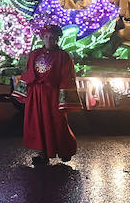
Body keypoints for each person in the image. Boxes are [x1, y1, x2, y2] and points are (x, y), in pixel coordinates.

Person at [14, 23, 81, 166]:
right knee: (38, 124)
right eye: (46, 37)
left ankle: (65, 150)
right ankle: (42, 153)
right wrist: (22, 92)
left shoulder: (64, 56)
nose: (49, 40)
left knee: (58, 123)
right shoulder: (35, 54)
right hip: (36, 95)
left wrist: (64, 100)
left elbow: (66, 77)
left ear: (57, 39)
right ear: (42, 38)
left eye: (52, 37)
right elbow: (29, 74)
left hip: (53, 96)